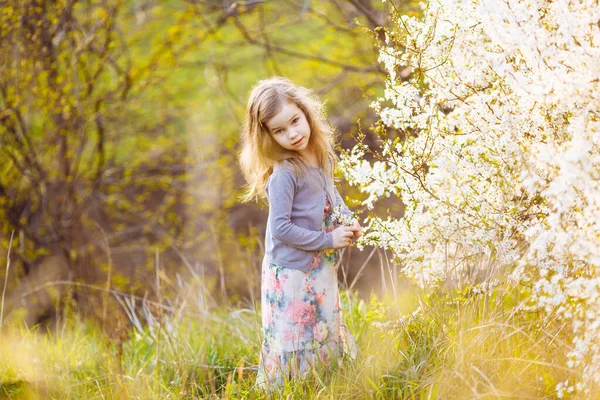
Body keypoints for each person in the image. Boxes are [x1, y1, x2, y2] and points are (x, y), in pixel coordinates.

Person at [238, 76, 363, 391]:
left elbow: (331, 198)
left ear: (306, 114)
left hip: (317, 264)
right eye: (280, 130)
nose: (292, 134)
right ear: (267, 135)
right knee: (295, 337)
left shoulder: (318, 155)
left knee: (322, 328)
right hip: (292, 271)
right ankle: (293, 391)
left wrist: (347, 220)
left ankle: (325, 385)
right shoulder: (285, 174)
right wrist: (328, 240)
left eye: (295, 121)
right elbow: (280, 229)